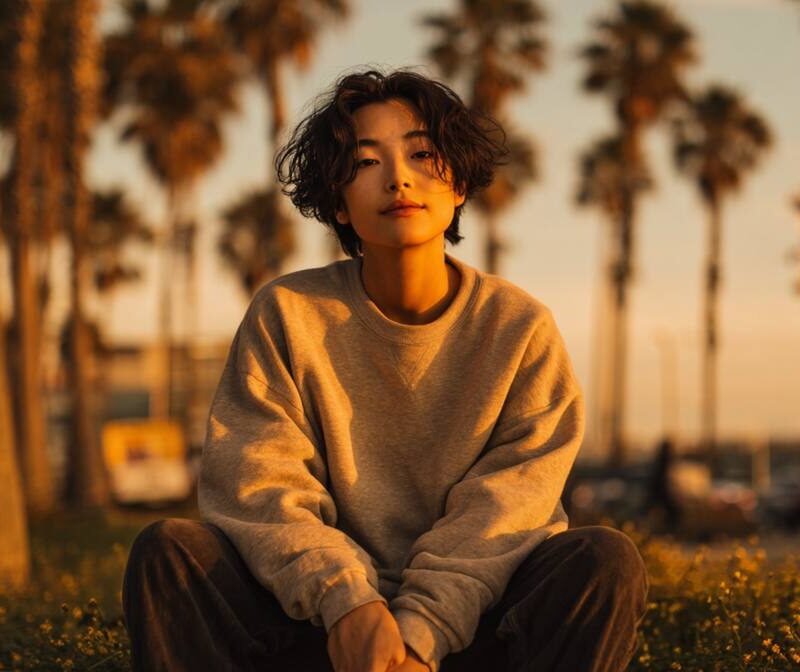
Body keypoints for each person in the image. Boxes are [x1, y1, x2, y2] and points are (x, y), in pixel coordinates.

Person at [122, 68, 649, 672]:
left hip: (471, 622)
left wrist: (421, 630)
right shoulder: (287, 314)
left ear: (459, 184)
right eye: (367, 162)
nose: (399, 177)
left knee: (603, 559)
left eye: (422, 154)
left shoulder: (518, 326)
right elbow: (260, 483)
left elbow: (509, 506)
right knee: (170, 551)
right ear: (339, 205)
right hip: (320, 626)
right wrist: (347, 604)